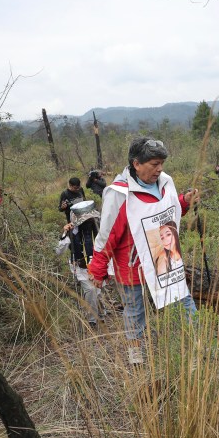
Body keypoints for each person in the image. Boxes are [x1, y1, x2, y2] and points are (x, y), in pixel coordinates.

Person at [88, 136, 200, 366]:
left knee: (183, 298)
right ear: (136, 163)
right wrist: (98, 268)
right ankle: (135, 351)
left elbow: (164, 212)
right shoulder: (120, 194)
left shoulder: (165, 182)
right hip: (132, 265)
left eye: (161, 163)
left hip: (164, 255)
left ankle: (197, 344)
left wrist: (183, 202)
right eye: (154, 164)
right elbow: (108, 234)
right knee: (135, 310)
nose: (159, 169)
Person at [55, 201, 103, 328]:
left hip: (98, 265)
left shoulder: (98, 228)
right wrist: (64, 234)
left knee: (97, 291)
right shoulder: (72, 232)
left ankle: (98, 309)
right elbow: (59, 251)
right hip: (81, 267)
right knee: (92, 290)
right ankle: (92, 319)